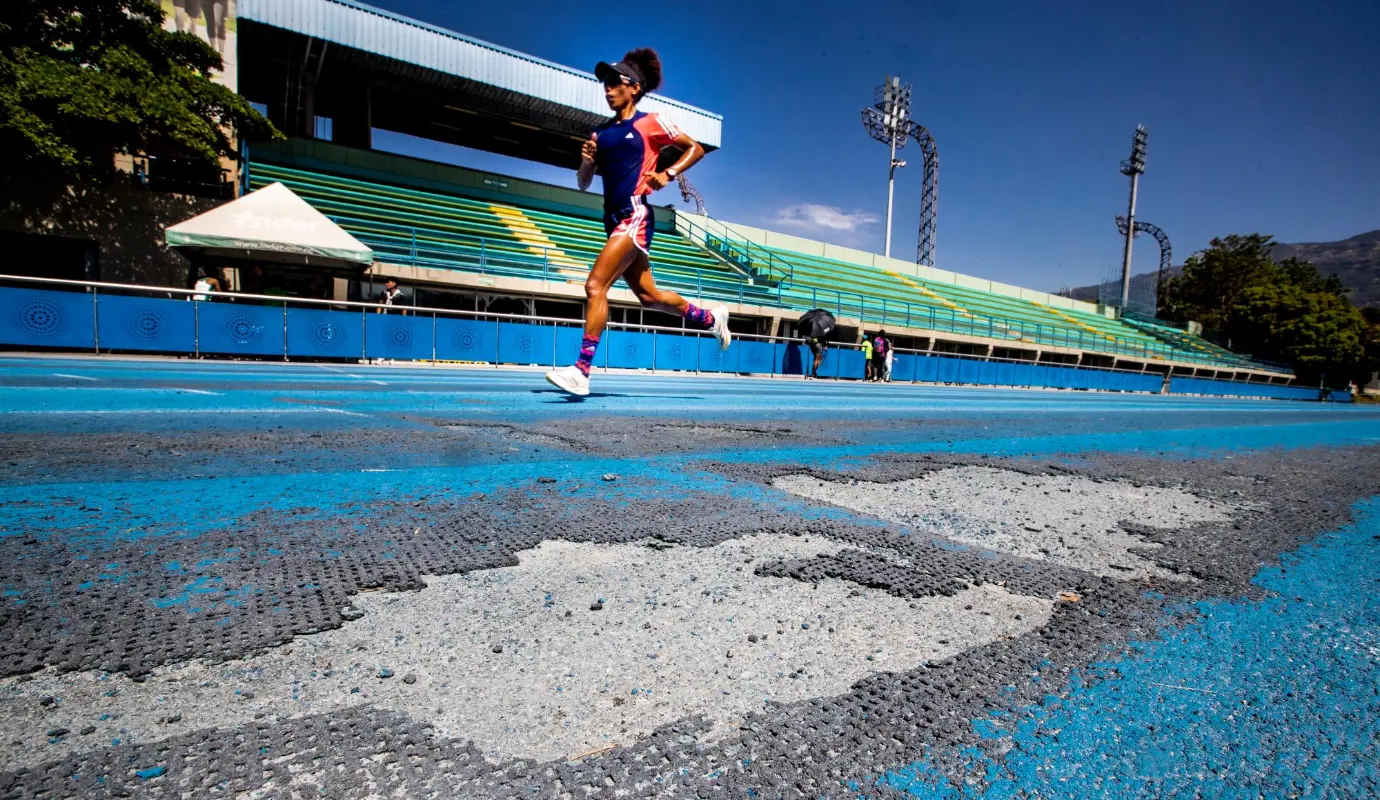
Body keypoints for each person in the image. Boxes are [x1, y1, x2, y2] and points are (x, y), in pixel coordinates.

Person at [545, 48, 730, 396]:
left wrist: (668, 173)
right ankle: (711, 318)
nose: (607, 88)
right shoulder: (600, 134)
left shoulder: (651, 122)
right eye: (604, 83)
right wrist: (586, 162)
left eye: (614, 82)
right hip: (611, 218)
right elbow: (584, 183)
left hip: (635, 214)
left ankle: (581, 371)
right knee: (649, 297)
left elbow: (695, 148)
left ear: (634, 87)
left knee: (595, 286)